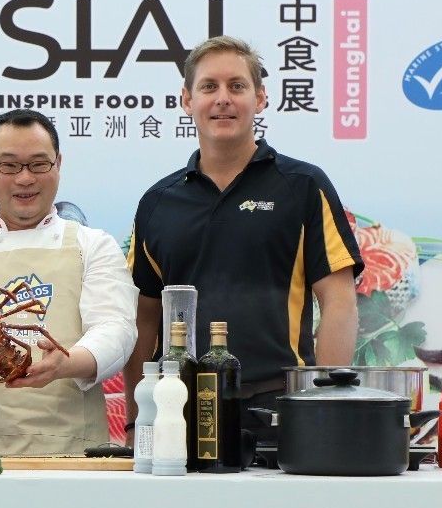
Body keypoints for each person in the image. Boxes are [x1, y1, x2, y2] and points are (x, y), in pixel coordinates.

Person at [122, 36, 362, 436]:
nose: (223, 99)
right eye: (209, 87)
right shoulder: (157, 202)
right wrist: (137, 420)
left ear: (260, 98)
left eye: (237, 86)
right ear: (187, 100)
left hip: (281, 409)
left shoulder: (303, 186)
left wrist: (324, 410)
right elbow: (142, 320)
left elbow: (339, 303)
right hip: (178, 412)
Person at [0, 109, 137, 456]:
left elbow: (116, 329)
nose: (24, 178)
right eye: (9, 165)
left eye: (38, 164)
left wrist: (66, 363)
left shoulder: (93, 245)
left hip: (77, 453)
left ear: (58, 164)